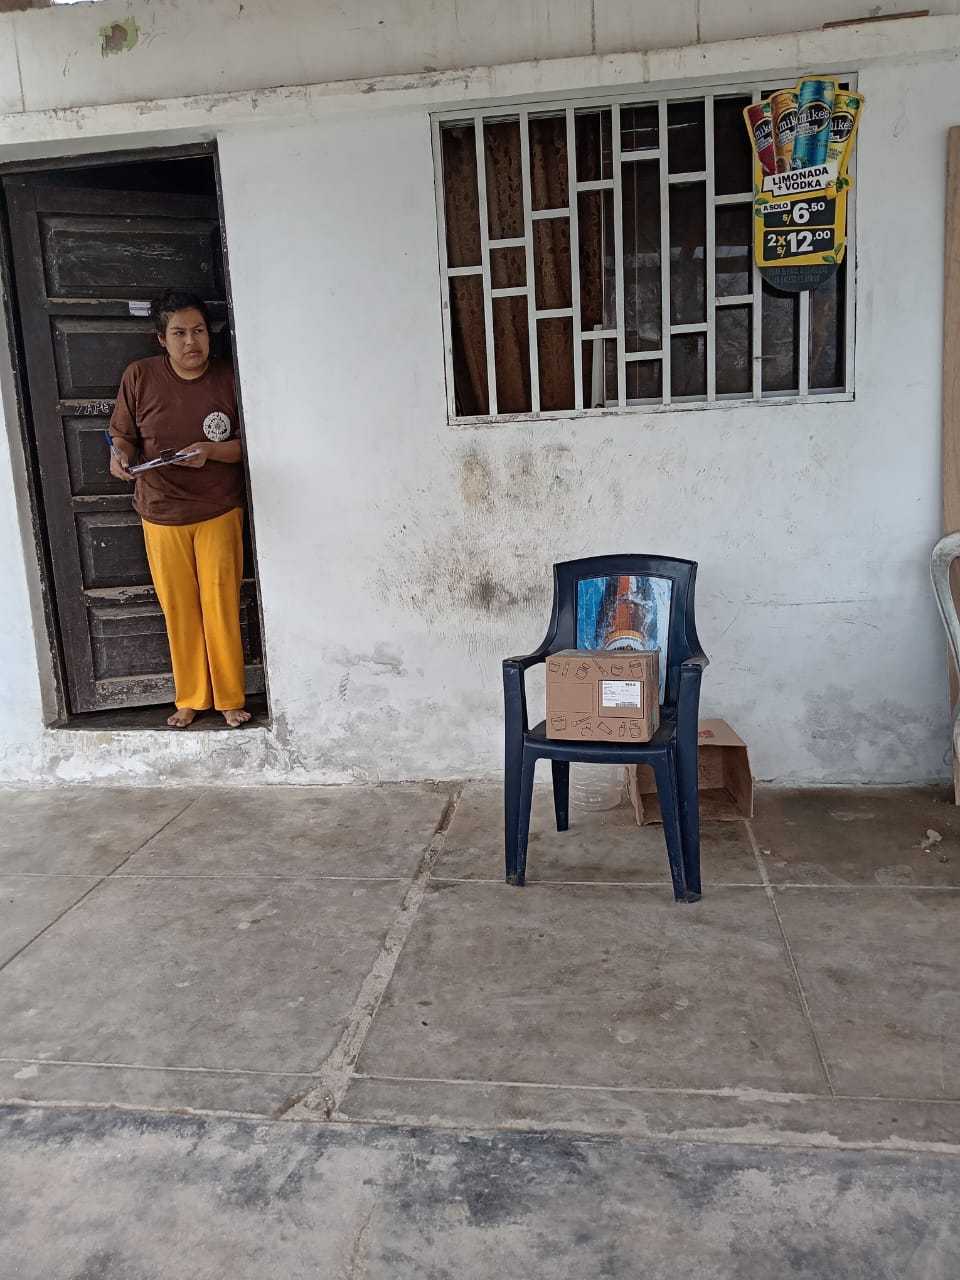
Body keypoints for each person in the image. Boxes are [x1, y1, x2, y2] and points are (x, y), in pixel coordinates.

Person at [108, 289, 252, 729]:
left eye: (199, 331)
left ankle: (229, 698)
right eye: (179, 333)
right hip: (160, 510)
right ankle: (190, 697)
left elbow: (251, 444)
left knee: (220, 605)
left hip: (218, 508)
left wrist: (210, 451)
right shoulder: (140, 376)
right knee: (179, 608)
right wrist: (119, 456)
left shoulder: (229, 378)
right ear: (161, 339)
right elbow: (122, 435)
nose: (191, 342)